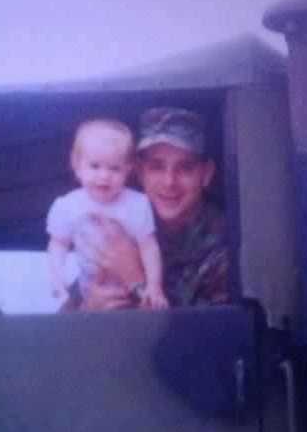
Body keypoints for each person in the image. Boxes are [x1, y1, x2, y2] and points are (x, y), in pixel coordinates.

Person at [65, 107, 230, 310]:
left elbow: (213, 337)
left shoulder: (227, 246)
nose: (169, 181)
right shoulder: (125, 225)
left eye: (185, 168)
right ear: (140, 172)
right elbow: (63, 328)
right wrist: (89, 310)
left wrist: (136, 280)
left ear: (206, 173)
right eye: (157, 166)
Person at [46, 119, 169, 309]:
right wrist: (57, 278)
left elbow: (149, 247)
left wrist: (154, 286)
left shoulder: (137, 204)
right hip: (89, 295)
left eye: (114, 168)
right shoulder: (67, 206)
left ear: (128, 169)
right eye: (95, 166)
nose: (104, 176)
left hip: (133, 296)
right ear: (76, 165)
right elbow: (58, 244)